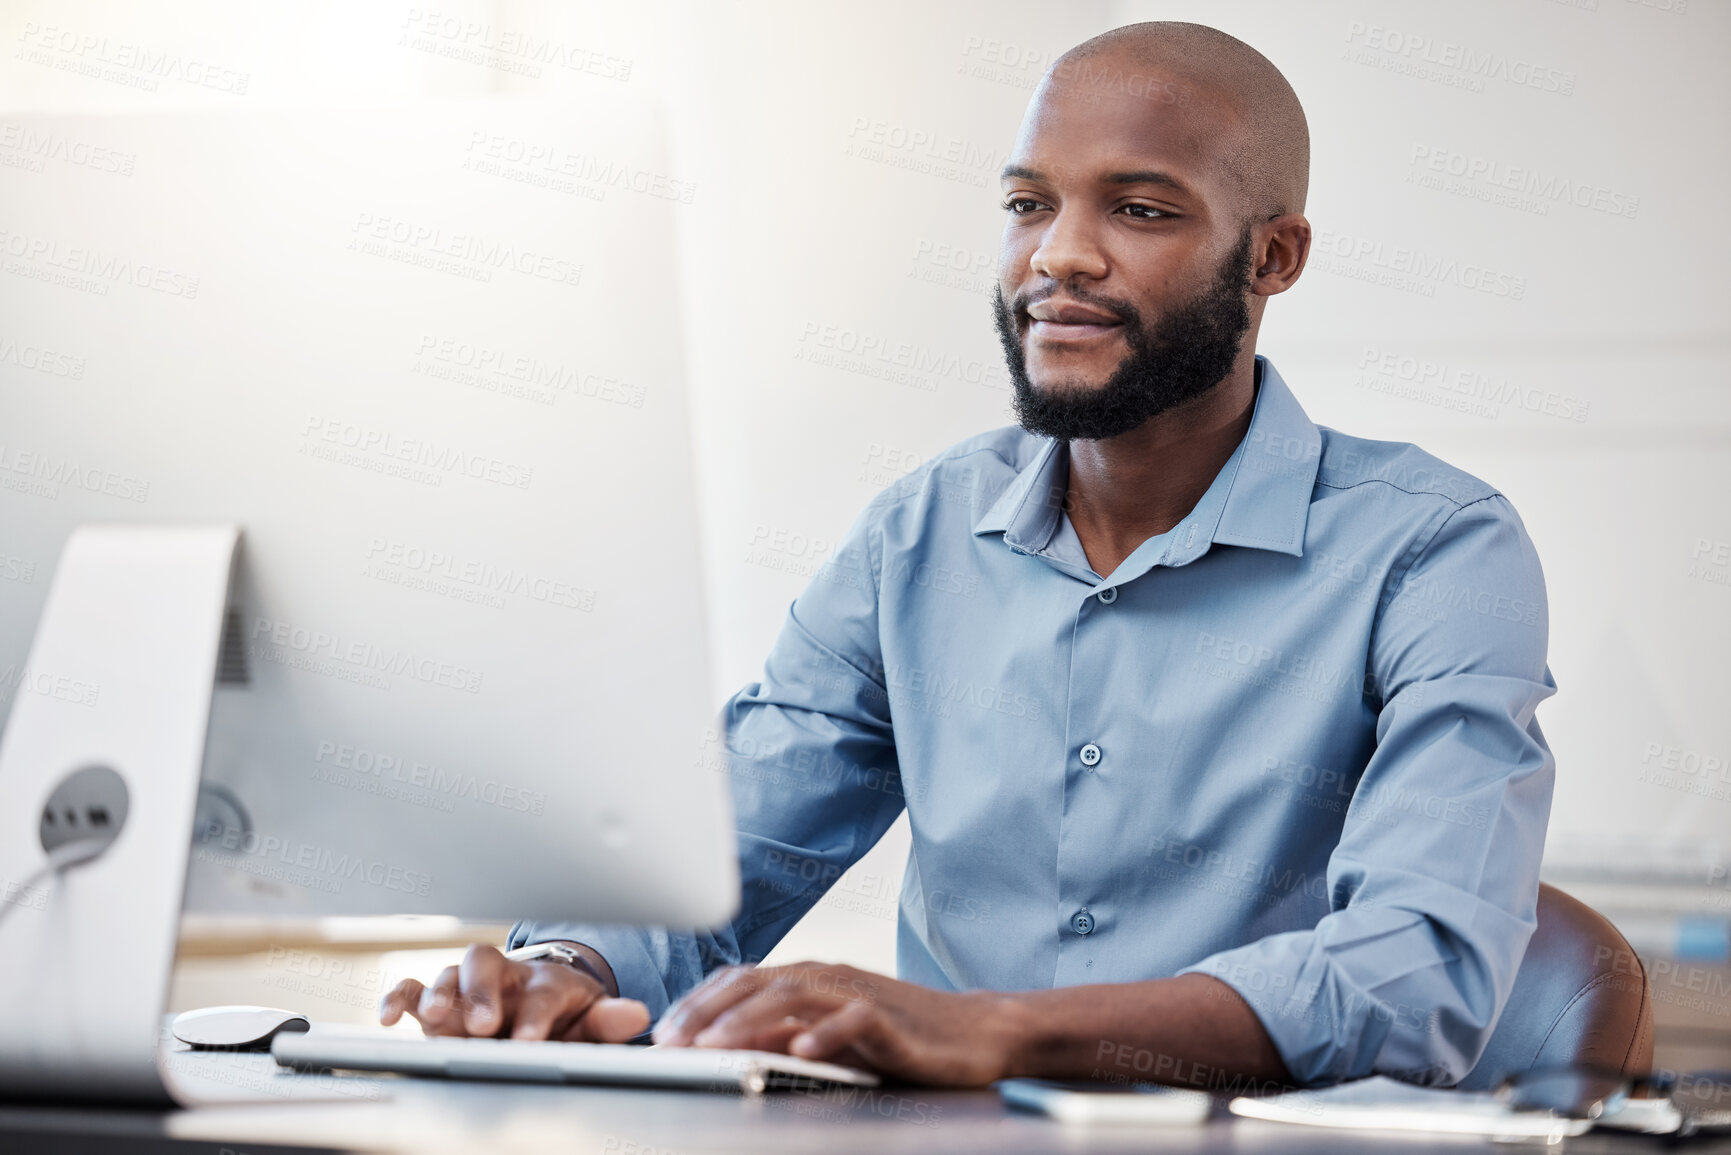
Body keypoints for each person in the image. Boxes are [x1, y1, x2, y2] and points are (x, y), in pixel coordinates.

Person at [380, 21, 1555, 1090]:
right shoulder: (919, 532)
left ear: (1273, 258)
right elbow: (725, 855)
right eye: (1029, 203)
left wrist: (995, 1026)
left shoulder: (1435, 548)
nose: (1061, 257)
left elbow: (1416, 980)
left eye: (1140, 211)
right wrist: (566, 965)